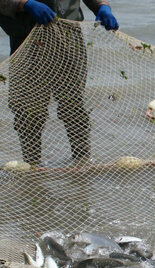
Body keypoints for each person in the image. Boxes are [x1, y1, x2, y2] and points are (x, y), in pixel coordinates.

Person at [0, 0, 119, 167]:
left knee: (73, 105)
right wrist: (24, 4)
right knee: (28, 111)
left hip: (69, 39)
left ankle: (82, 165)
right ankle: (33, 168)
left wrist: (102, 7)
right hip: (27, 40)